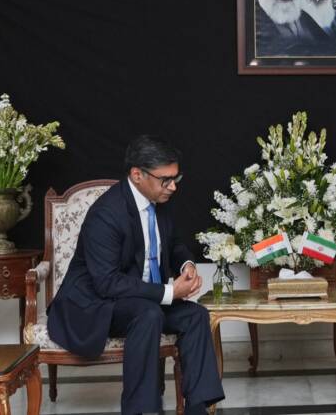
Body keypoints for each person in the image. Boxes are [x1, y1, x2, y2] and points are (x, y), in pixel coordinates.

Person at [47, 135, 225, 415]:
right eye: (166, 180)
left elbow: (174, 244)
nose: (173, 186)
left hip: (141, 298)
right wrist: (170, 292)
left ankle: (198, 408)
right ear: (137, 175)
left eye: (176, 178)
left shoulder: (160, 202)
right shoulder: (106, 214)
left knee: (195, 316)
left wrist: (187, 265)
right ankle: (138, 410)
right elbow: (106, 283)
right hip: (97, 304)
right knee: (148, 314)